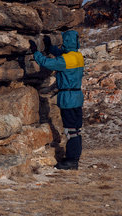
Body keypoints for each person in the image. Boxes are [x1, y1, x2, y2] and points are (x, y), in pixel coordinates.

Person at [30, 30, 84, 170]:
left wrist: (35, 51)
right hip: (77, 97)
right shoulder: (78, 56)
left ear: (66, 42)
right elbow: (62, 55)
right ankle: (75, 157)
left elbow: (46, 63)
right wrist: (51, 48)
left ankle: (72, 161)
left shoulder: (65, 60)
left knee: (70, 130)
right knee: (76, 130)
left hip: (68, 97)